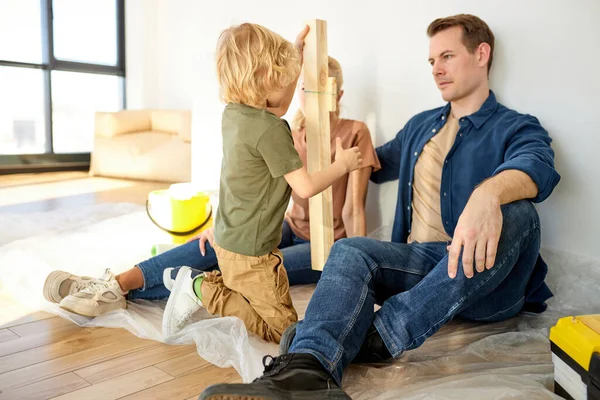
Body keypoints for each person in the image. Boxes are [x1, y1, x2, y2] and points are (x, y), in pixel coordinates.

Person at [198, 14, 561, 399]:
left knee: (521, 213)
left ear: (482, 54)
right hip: (421, 264)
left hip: (483, 277)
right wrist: (334, 134)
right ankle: (307, 371)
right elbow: (371, 162)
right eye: (432, 61)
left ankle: (376, 337)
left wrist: (488, 195)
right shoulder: (422, 127)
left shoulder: (516, 126)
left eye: (447, 56)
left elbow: (537, 165)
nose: (437, 69)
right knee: (349, 248)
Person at [43, 23, 368, 345]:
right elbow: (306, 187)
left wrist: (358, 261)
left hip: (256, 235)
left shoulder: (235, 113)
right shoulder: (278, 128)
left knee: (226, 267)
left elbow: (352, 208)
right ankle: (192, 286)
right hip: (263, 239)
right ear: (270, 79)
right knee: (280, 326)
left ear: (336, 94)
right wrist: (342, 164)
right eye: (293, 80)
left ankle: (114, 287)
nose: (298, 90)